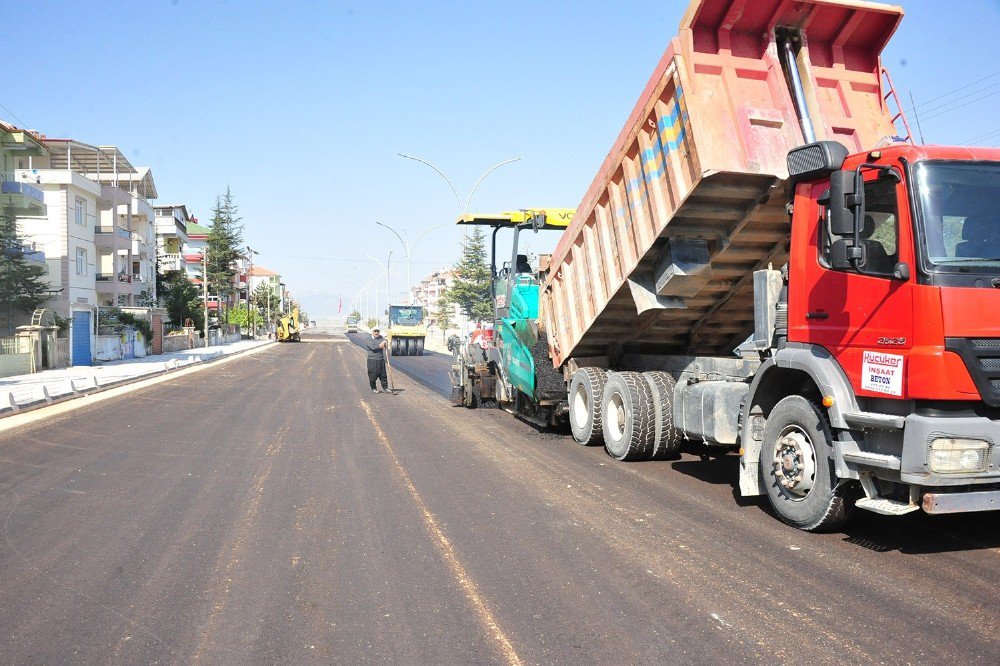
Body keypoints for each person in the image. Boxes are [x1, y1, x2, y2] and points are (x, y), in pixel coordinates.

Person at [364, 328, 389, 393]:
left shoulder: (381, 338)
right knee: (373, 375)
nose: (376, 333)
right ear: (372, 332)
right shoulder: (368, 340)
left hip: (381, 359)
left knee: (383, 374)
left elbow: (386, 342)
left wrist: (385, 341)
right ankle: (373, 388)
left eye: (378, 331)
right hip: (372, 360)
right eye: (375, 331)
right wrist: (381, 344)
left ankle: (385, 387)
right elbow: (373, 347)